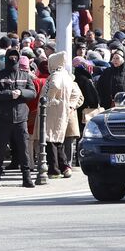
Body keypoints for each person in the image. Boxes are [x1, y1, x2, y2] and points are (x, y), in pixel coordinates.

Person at [0, 48, 37, 187]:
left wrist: (20, 92)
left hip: (21, 118)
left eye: (16, 56)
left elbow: (32, 92)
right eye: (11, 56)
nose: (13, 59)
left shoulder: (25, 75)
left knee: (23, 149)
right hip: (4, 117)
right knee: (1, 148)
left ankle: (26, 178)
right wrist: (10, 94)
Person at [39, 51, 82, 179]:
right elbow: (76, 94)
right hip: (62, 111)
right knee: (58, 140)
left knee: (50, 139)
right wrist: (70, 105)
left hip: (52, 111)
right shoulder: (67, 76)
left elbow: (54, 85)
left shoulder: (56, 75)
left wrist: (49, 99)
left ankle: (54, 170)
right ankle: (65, 167)